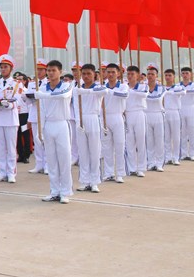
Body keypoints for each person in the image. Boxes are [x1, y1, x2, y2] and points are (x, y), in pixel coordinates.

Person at [36, 60, 74, 204]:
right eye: (49, 70)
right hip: (48, 125)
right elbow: (42, 110)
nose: (51, 73)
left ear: (60, 72)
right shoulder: (43, 87)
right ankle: (54, 190)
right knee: (51, 160)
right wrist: (40, 131)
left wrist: (42, 95)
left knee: (64, 159)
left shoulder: (66, 85)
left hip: (62, 124)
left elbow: (63, 96)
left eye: (53, 70)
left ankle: (65, 191)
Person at [72, 63, 104, 193]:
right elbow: (75, 106)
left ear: (94, 75)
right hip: (80, 119)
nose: (86, 76)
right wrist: (78, 122)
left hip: (93, 118)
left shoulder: (99, 87)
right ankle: (84, 180)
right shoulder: (76, 88)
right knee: (83, 152)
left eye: (88, 74)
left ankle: (94, 181)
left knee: (95, 151)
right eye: (83, 74)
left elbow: (105, 92)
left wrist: (85, 91)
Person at [0, 55, 22, 184]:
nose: (3, 69)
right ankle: (2, 171)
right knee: (1, 146)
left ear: (11, 69)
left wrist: (9, 104)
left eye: (6, 67)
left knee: (11, 147)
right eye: (2, 67)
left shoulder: (16, 84)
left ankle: (11, 172)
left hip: (10, 118)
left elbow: (19, 100)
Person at [101, 63, 128, 183]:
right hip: (105, 118)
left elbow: (124, 95)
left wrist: (109, 91)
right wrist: (104, 90)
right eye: (108, 72)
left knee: (119, 145)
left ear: (118, 73)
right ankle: (108, 172)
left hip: (117, 117)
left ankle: (120, 173)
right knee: (107, 147)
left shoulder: (123, 86)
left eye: (113, 72)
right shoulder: (102, 86)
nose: (111, 74)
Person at [26, 59, 48, 174]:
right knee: (37, 139)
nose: (38, 72)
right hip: (34, 113)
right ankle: (39, 163)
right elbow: (28, 101)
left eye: (41, 70)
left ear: (46, 71)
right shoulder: (31, 83)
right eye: (37, 70)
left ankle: (48, 164)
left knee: (45, 139)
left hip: (45, 114)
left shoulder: (48, 83)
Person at [142, 64, 165, 172]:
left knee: (159, 140)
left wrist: (144, 94)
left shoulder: (161, 88)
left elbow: (156, 98)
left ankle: (159, 163)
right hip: (147, 114)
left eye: (152, 74)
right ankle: (151, 162)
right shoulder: (144, 86)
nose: (150, 76)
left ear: (156, 76)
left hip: (157, 114)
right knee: (149, 140)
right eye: (148, 74)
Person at [162, 69, 183, 166]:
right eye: (166, 75)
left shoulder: (178, 87)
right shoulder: (162, 88)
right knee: (166, 137)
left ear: (174, 76)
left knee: (176, 136)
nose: (167, 77)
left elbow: (183, 93)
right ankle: (168, 157)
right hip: (165, 112)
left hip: (175, 112)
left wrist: (170, 91)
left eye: (169, 75)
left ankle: (176, 157)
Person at [179, 67, 194, 161]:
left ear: (190, 74)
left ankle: (192, 153)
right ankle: (183, 153)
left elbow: (193, 92)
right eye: (183, 73)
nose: (185, 75)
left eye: (187, 73)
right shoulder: (178, 85)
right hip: (181, 109)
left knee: (192, 131)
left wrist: (182, 91)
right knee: (183, 132)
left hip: (191, 108)